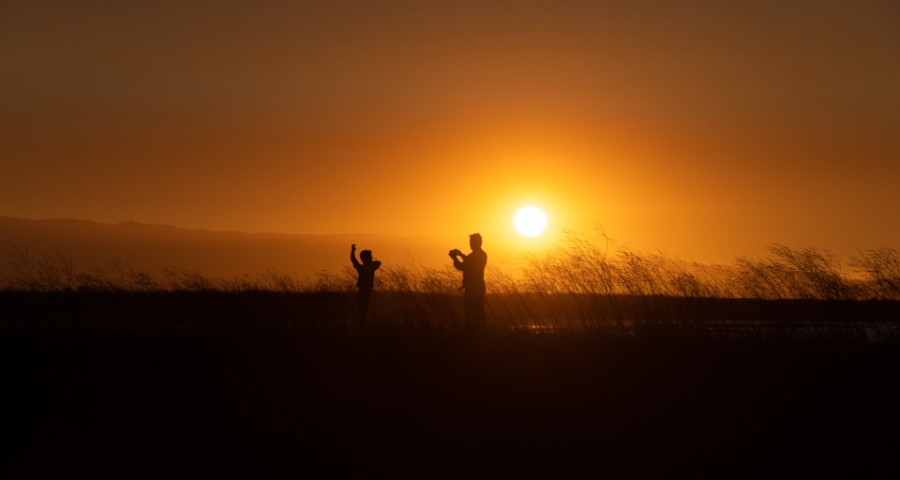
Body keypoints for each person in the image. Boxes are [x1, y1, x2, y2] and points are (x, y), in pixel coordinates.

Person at [449, 233, 488, 331]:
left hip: (474, 288)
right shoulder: (481, 255)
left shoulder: (478, 255)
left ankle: (474, 336)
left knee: (472, 313)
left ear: (478, 243)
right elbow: (469, 264)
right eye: (470, 242)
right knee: (477, 313)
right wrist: (461, 255)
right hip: (476, 287)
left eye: (472, 242)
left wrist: (455, 257)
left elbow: (464, 266)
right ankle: (479, 335)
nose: (470, 244)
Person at [350, 244, 381, 326]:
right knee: (363, 311)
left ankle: (360, 325)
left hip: (362, 293)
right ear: (366, 258)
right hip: (363, 293)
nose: (372, 258)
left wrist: (353, 251)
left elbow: (353, 260)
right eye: (370, 257)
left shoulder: (362, 267)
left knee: (362, 311)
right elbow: (378, 262)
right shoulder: (370, 267)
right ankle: (360, 326)